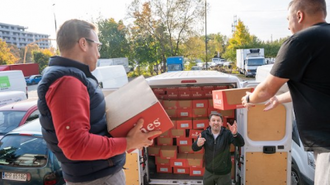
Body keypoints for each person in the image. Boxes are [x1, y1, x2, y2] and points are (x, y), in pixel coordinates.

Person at [37, 19, 161, 185]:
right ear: (83, 44)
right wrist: (128, 142)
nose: (99, 53)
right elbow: (76, 145)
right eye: (97, 45)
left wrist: (130, 137)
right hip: (97, 179)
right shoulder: (68, 81)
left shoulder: (71, 77)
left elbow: (92, 127)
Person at [241, 0, 330, 184]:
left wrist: (250, 97)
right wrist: (280, 99)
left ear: (299, 16)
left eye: (288, 19)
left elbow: (266, 89)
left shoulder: (300, 41)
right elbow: (318, 88)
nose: (288, 26)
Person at [192, 112, 245, 185]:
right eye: (213, 120)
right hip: (209, 172)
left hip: (224, 174)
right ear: (210, 123)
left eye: (218, 120)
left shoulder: (227, 134)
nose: (216, 122)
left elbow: (241, 144)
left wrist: (235, 134)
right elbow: (194, 148)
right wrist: (197, 144)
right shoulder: (204, 134)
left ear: (222, 123)